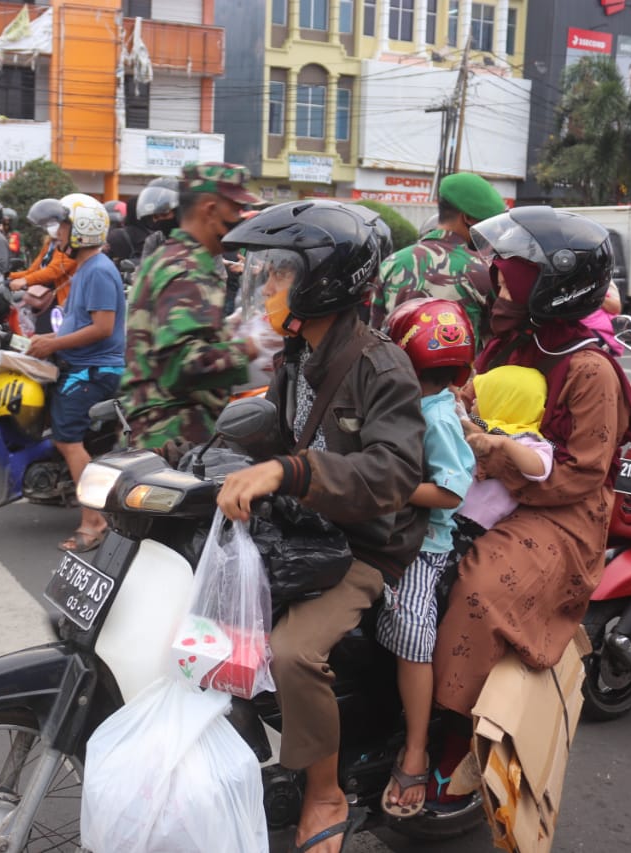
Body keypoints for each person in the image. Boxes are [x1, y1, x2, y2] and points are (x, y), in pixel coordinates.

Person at [215, 199, 427, 853]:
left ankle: (324, 788)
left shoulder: (380, 365)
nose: (267, 288)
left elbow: (392, 474)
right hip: (310, 528)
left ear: (322, 279)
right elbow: (278, 430)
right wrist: (182, 452)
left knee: (290, 652)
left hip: (368, 542)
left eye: (277, 275)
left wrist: (292, 472)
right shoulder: (297, 350)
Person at [430, 206, 631, 808]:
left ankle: (453, 737)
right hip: (483, 489)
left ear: (551, 285)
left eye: (512, 274)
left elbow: (582, 475)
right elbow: (471, 402)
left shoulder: (589, 366)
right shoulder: (509, 341)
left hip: (559, 515)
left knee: (477, 585)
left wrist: (498, 460)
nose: (499, 281)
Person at [379, 298, 476, 819]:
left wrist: (387, 486)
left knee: (413, 630)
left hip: (425, 544)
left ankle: (415, 747)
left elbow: (451, 492)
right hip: (383, 530)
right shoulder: (399, 401)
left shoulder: (437, 416)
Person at [120, 161, 260, 455]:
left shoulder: (171, 257)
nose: (240, 218)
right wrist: (247, 349)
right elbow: (181, 363)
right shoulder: (188, 269)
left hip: (163, 429)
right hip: (175, 435)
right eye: (235, 209)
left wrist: (225, 331)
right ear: (210, 210)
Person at [25, 195, 125, 553]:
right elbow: (76, 323)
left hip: (94, 371)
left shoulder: (97, 269)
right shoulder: (85, 268)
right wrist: (46, 339)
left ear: (82, 228)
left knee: (69, 441)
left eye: (63, 226)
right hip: (81, 365)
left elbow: (102, 327)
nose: (57, 234)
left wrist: (53, 345)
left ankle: (93, 522)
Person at [370, 172, 506, 340]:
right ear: (468, 218)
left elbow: (375, 332)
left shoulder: (391, 264)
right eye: (486, 223)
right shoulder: (484, 270)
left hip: (396, 365)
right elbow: (499, 335)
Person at [454, 365, 556, 542]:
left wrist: (505, 443)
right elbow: (459, 413)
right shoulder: (480, 423)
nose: (474, 402)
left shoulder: (525, 438)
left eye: (483, 396)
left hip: (474, 526)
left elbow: (540, 468)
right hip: (450, 512)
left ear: (502, 403)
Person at [11, 198, 80, 334]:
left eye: (61, 225)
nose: (57, 230)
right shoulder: (51, 244)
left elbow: (54, 270)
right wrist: (9, 277)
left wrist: (25, 281)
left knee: (45, 334)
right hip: (43, 296)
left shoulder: (70, 248)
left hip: (59, 300)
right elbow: (34, 269)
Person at [134, 177, 180, 262]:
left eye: (164, 214)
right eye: (155, 217)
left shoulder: (197, 239)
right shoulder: (155, 240)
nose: (159, 220)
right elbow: (144, 270)